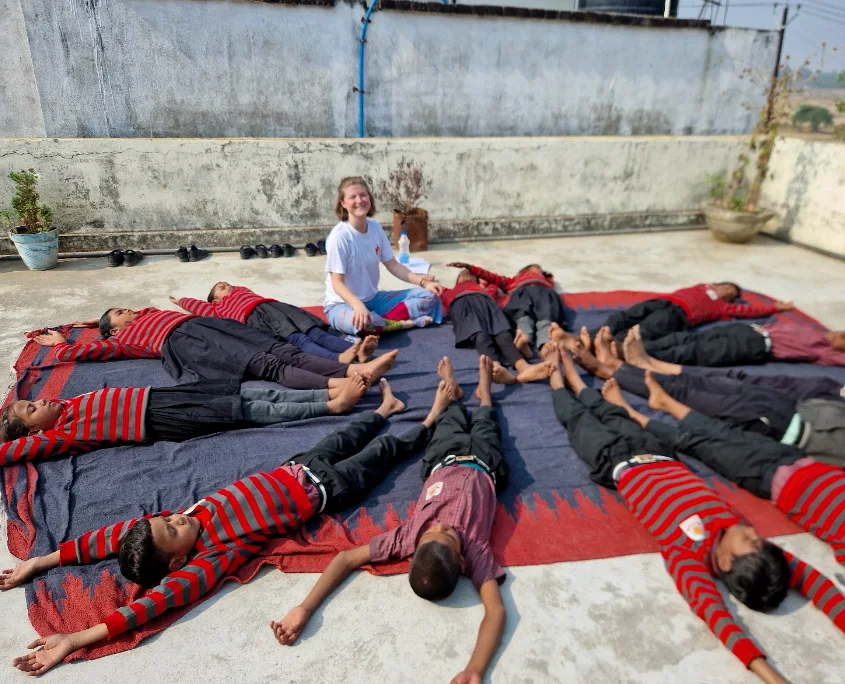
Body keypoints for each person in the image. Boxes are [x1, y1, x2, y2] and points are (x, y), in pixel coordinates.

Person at [2, 380, 425, 676]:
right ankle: (428, 426)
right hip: (326, 489)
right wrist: (76, 640)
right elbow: (151, 605)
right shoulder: (215, 556)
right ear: (181, 558)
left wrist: (39, 562)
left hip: (295, 466)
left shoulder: (183, 518)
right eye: (171, 530)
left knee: (347, 434)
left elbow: (107, 538)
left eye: (164, 519)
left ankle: (386, 409)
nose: (174, 518)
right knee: (381, 453)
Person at [546, 343, 845, 684]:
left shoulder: (687, 556)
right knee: (615, 414)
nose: (752, 531)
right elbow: (819, 585)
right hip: (657, 452)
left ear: (728, 562)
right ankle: (577, 379)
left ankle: (557, 382)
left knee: (580, 421)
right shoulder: (747, 542)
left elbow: (716, 615)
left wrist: (772, 677)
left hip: (614, 461)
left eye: (748, 539)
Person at [271, 356, 509, 684]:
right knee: (485, 418)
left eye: (435, 532)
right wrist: (474, 670)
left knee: (450, 415)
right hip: (485, 460)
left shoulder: (407, 537)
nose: (441, 526)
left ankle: (459, 390)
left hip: (443, 455)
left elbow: (345, 558)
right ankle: (483, 392)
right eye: (449, 536)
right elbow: (495, 611)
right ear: (461, 559)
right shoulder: (477, 553)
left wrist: (305, 608)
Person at [630, 370, 845, 566]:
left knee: (702, 444)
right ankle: (665, 402)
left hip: (767, 477)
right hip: (798, 460)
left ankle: (635, 416)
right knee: (721, 430)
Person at [571, 325, 845, 465]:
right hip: (793, 406)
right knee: (713, 381)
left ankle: (610, 371)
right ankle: (623, 366)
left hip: (780, 425)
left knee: (690, 393)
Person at [0, 376, 368, 465]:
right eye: (32, 409)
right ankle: (334, 408)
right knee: (252, 411)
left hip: (163, 396)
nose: (41, 400)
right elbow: (16, 451)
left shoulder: (64, 404)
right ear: (35, 431)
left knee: (252, 394)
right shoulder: (62, 433)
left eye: (31, 401)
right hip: (163, 417)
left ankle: (326, 396)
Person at [32, 307, 397, 391]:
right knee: (267, 365)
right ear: (114, 328)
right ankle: (340, 385)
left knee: (281, 350)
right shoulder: (123, 339)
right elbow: (96, 350)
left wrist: (89, 322)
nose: (129, 310)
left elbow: (98, 327)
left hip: (206, 325)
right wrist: (65, 343)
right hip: (189, 343)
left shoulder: (148, 312)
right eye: (119, 313)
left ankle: (354, 370)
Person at [324, 176, 443, 335]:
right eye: (352, 197)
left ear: (370, 198)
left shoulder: (375, 228)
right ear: (343, 203)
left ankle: (384, 323)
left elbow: (393, 265)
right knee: (362, 324)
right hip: (342, 305)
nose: (359, 200)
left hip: (374, 300)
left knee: (429, 297)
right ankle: (405, 323)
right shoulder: (339, 237)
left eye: (363, 195)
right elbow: (337, 283)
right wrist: (358, 306)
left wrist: (423, 283)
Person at [171, 282, 378, 364]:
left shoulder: (243, 291)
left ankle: (357, 351)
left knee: (316, 333)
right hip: (258, 319)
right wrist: (181, 301)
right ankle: (339, 358)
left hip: (277, 308)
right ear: (215, 299)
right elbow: (198, 306)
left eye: (229, 284)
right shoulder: (216, 308)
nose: (230, 287)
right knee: (300, 340)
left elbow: (242, 288)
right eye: (223, 287)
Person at [441, 270, 552, 385]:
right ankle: (496, 368)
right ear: (456, 281)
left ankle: (524, 367)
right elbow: (436, 290)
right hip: (462, 305)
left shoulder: (485, 288)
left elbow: (494, 286)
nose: (466, 275)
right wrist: (425, 282)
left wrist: (486, 282)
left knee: (503, 334)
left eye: (471, 274)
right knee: (480, 336)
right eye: (462, 275)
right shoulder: (449, 291)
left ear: (478, 280)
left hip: (487, 304)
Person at [600, 282, 793, 343]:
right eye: (726, 287)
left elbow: (750, 311)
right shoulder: (702, 286)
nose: (727, 292)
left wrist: (775, 307)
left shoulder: (723, 307)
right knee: (629, 314)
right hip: (664, 301)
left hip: (677, 315)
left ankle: (613, 344)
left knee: (645, 330)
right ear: (716, 284)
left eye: (731, 294)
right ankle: (600, 333)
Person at [446, 261, 564, 356]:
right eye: (536, 268)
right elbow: (492, 277)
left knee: (546, 315)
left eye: (541, 270)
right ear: (523, 271)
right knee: (523, 317)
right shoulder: (511, 281)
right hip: (521, 293)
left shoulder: (546, 282)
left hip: (543, 293)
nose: (540, 270)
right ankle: (525, 342)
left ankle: (545, 345)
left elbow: (492, 287)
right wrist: (470, 267)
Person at [636, 319, 845, 368]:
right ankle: (633, 346)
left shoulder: (823, 352)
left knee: (693, 352)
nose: (841, 337)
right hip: (746, 329)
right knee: (685, 338)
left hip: (755, 345)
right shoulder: (811, 328)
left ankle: (636, 356)